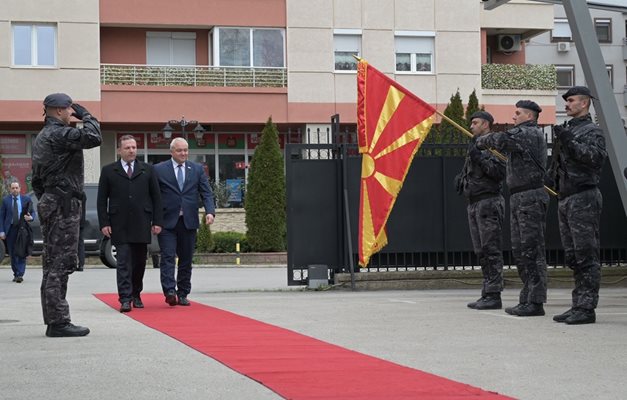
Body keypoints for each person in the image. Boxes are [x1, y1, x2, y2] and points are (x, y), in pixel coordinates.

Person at [32, 93, 102, 337]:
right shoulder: (58, 134)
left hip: (54, 200)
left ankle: (54, 319)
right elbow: (94, 137)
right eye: (69, 110)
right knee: (61, 263)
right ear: (60, 110)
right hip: (63, 204)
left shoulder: (42, 136)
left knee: (51, 263)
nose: (71, 114)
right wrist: (87, 116)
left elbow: (37, 181)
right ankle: (59, 321)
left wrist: (48, 198)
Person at [477, 100, 549, 317]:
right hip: (520, 196)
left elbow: (500, 139)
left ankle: (535, 301)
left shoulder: (529, 133)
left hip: (530, 195)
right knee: (520, 250)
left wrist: (482, 140)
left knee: (532, 250)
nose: (513, 117)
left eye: (518, 113)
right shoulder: (522, 134)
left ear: (530, 116)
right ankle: (527, 298)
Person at [547, 86, 607, 325]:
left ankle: (587, 307)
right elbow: (560, 163)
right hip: (566, 196)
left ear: (584, 104)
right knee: (573, 255)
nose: (567, 104)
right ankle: (578, 303)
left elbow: (594, 159)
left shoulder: (593, 131)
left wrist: (569, 140)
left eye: (571, 100)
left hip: (584, 196)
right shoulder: (569, 130)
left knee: (586, 254)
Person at [97, 135, 163, 313]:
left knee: (139, 262)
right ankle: (125, 298)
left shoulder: (147, 170)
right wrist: (104, 222)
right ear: (120, 150)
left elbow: (156, 197)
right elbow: (102, 199)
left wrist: (157, 221)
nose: (132, 150)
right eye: (127, 148)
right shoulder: (109, 170)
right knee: (124, 262)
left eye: (134, 147)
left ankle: (136, 294)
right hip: (119, 223)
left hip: (141, 222)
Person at [455, 111, 506, 310]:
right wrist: (462, 180)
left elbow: (499, 172)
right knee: (481, 251)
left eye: (475, 123)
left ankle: (494, 294)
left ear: (486, 124)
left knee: (490, 249)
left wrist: (480, 157)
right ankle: (487, 291)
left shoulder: (493, 145)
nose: (471, 127)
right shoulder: (475, 145)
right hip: (474, 202)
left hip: (489, 201)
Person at [154, 137, 214, 306]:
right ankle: (169, 291)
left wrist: (210, 212)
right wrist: (154, 219)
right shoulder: (159, 169)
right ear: (171, 151)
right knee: (167, 257)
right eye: (180, 150)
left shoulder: (196, 169)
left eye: (186, 150)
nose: (184, 153)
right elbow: (153, 196)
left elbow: (206, 192)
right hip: (167, 222)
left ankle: (183, 292)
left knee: (186, 259)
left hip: (188, 221)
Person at [0, 181, 36, 283]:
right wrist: (1, 231)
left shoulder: (26, 199)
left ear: (20, 189)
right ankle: (16, 273)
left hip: (22, 230)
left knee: (21, 252)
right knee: (12, 253)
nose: (15, 190)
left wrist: (31, 217)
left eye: (16, 188)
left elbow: (32, 212)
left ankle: (20, 274)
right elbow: (1, 217)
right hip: (10, 230)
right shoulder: (5, 200)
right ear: (10, 189)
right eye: (13, 188)